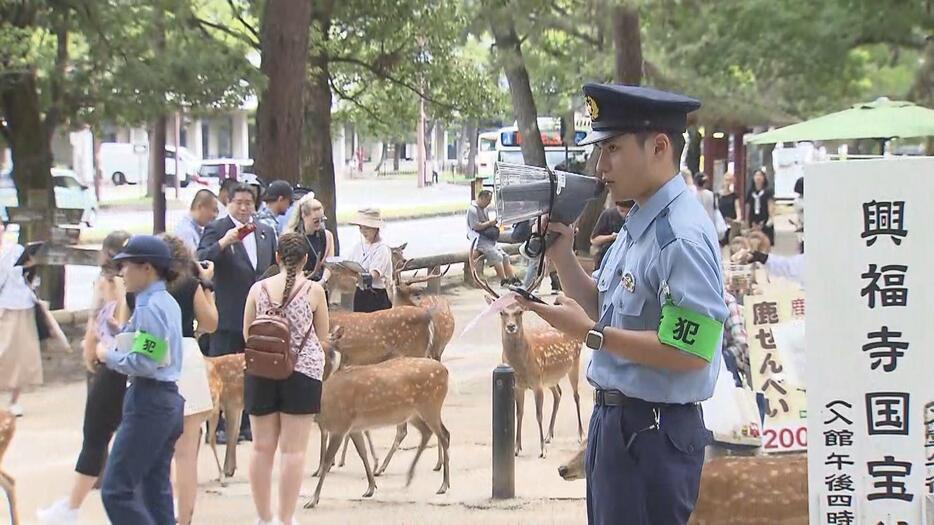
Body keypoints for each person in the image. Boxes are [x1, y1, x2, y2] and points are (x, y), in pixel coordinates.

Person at [516, 83, 727, 525]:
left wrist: (590, 335)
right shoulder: (640, 221)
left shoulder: (679, 237)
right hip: (618, 425)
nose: (601, 165)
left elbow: (691, 350)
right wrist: (563, 258)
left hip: (653, 432)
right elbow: (605, 306)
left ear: (659, 147)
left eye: (612, 148)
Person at [37, 231, 132, 524]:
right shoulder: (149, 292)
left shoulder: (109, 282)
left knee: (95, 434)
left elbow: (103, 320)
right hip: (127, 365)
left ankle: (71, 508)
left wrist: (97, 349)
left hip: (113, 363)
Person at [96, 235, 185, 524]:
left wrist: (106, 355)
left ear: (147, 268)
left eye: (126, 266)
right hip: (168, 399)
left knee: (115, 489)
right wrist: (122, 337)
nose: (122, 273)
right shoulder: (164, 301)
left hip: (150, 399)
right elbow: (153, 348)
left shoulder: (148, 307)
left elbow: (147, 360)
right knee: (154, 488)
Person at [242, 232, 329, 525]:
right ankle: (286, 518)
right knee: (293, 452)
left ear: (277, 257)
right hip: (302, 372)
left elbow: (247, 334)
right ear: (306, 259)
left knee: (261, 447)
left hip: (261, 370)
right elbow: (322, 337)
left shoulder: (258, 289)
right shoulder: (314, 291)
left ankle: (263, 517)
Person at [198, 184, 277, 442]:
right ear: (229, 203)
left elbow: (271, 270)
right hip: (228, 314)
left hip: (259, 314)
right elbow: (201, 260)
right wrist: (224, 242)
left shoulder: (265, 231)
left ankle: (247, 422)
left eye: (248, 203)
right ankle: (219, 424)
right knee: (222, 369)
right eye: (238, 202)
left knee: (254, 369)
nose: (244, 207)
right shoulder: (218, 229)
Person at [159, 234, 218, 525]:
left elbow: (124, 329)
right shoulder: (189, 285)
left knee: (156, 450)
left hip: (152, 358)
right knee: (186, 454)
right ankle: (184, 519)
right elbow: (210, 323)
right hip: (185, 354)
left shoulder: (138, 288)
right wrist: (208, 285)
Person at [0, 221, 42, 417]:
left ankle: (14, 400)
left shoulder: (16, 250)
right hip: (3, 308)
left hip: (22, 305)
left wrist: (30, 266)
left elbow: (29, 278)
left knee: (21, 354)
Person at [466, 190, 520, 287]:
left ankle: (513, 278)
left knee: (505, 256)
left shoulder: (485, 209)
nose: (489, 203)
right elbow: (476, 226)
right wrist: (491, 223)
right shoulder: (472, 210)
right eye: (488, 200)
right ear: (481, 198)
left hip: (488, 239)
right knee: (497, 257)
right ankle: (504, 280)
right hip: (479, 240)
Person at [348, 208, 395, 312]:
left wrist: (355, 274)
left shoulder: (382, 249)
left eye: (367, 228)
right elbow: (348, 266)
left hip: (377, 296)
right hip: (360, 294)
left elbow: (373, 275)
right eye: (361, 227)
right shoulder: (358, 247)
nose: (363, 231)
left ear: (375, 228)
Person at [285, 194, 335, 283]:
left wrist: (323, 281)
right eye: (316, 221)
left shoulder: (327, 236)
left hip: (320, 283)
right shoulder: (291, 237)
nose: (320, 224)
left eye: (322, 219)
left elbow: (329, 264)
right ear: (304, 215)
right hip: (297, 284)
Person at [590, 200, 633, 271]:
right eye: (622, 211)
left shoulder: (636, 217)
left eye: (628, 212)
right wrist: (612, 237)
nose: (625, 215)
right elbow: (594, 240)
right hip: (605, 259)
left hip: (626, 262)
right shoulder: (608, 215)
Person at [174, 189, 220, 254]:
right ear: (200, 207)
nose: (215, 215)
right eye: (213, 210)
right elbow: (195, 260)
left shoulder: (196, 229)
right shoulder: (186, 232)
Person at [746, 168, 775, 245]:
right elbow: (748, 206)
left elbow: (770, 205)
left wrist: (770, 218)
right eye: (756, 175)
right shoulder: (750, 192)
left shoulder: (768, 191)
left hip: (765, 219)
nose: (758, 177)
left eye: (760, 175)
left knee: (765, 242)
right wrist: (747, 221)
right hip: (753, 220)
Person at [717, 172, 742, 245]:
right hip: (720, 223)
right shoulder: (718, 195)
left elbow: (737, 208)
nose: (727, 182)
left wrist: (738, 218)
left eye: (730, 180)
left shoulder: (734, 195)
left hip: (731, 222)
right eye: (726, 180)